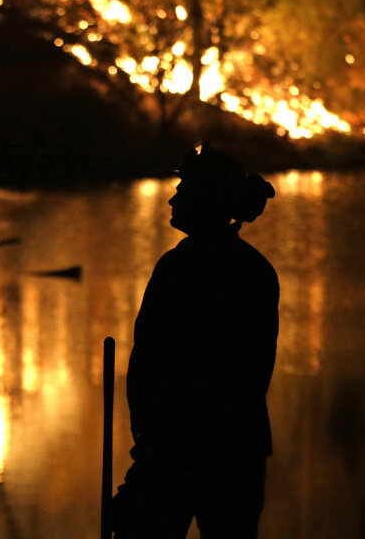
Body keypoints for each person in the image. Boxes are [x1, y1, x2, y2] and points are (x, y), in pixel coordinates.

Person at [112, 143, 279, 539]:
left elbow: (153, 361)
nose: (173, 198)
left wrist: (153, 446)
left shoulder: (180, 269)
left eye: (184, 190)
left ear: (208, 199)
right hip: (235, 452)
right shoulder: (255, 270)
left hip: (177, 453)